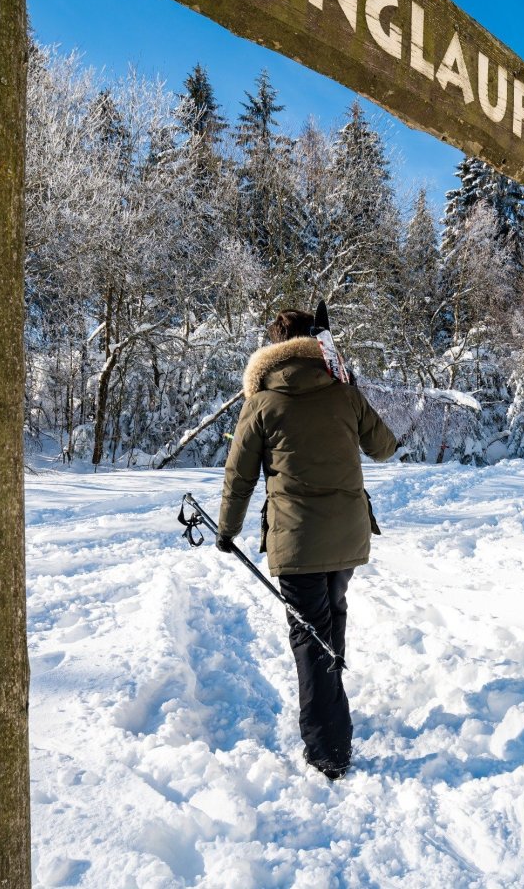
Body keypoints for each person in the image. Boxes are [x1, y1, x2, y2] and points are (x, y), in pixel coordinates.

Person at [217, 308, 397, 779]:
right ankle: (332, 716)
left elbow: (239, 477)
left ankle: (328, 751)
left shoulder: (262, 402)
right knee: (329, 619)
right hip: (348, 536)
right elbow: (384, 445)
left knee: (310, 637)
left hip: (297, 541)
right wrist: (351, 386)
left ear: (271, 350)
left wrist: (227, 530)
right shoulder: (343, 390)